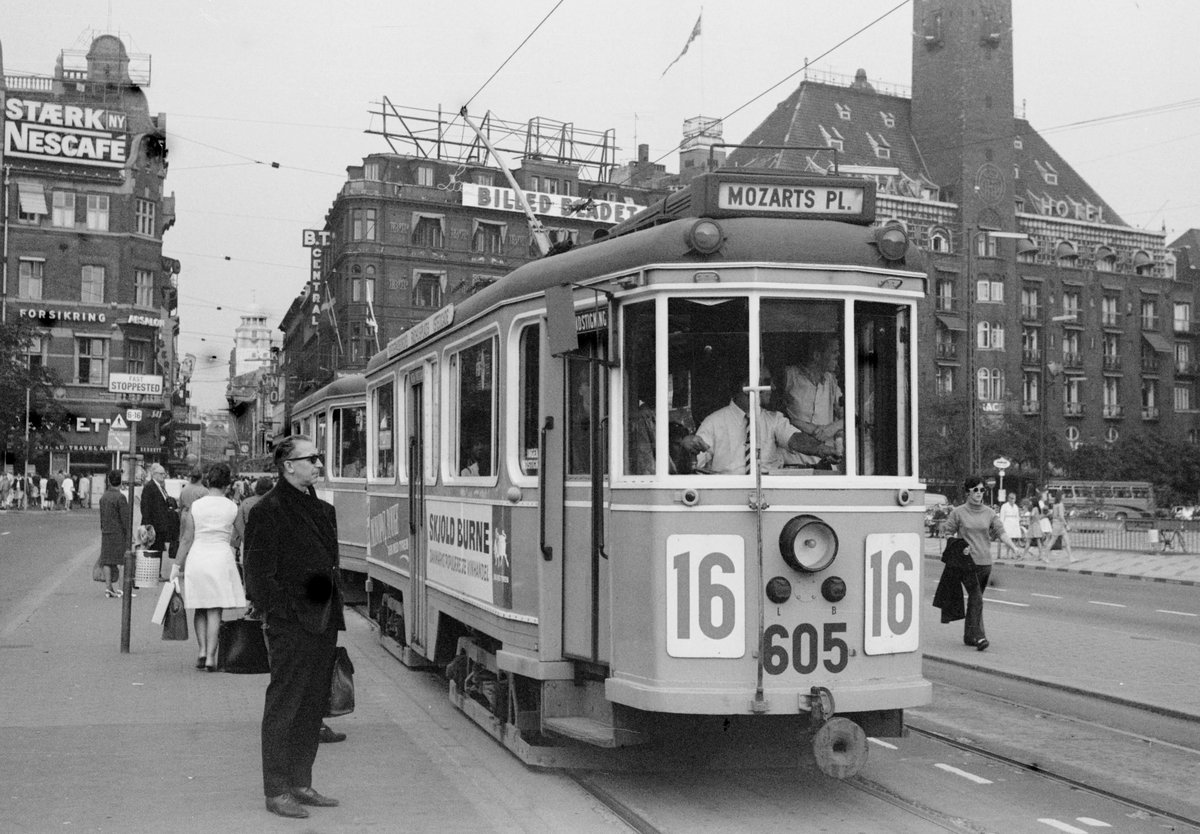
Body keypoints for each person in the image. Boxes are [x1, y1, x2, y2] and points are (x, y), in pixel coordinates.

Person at [244, 436, 344, 819]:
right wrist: (289, 612)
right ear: (288, 465)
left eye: (320, 457)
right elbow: (258, 578)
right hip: (292, 625)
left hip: (323, 622)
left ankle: (301, 783)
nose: (319, 464)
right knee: (285, 705)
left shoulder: (321, 509)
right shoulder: (268, 511)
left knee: (313, 706)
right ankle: (277, 790)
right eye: (312, 458)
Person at [680, 376, 831, 474]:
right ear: (747, 387)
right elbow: (697, 460)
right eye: (766, 382)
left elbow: (795, 439)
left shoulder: (774, 419)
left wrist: (822, 449)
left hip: (770, 495)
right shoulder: (713, 422)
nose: (772, 387)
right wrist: (689, 447)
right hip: (728, 496)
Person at [176, 463, 247, 672]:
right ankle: (211, 658)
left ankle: (202, 650)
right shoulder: (232, 507)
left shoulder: (196, 507)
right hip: (221, 558)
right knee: (215, 608)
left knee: (200, 606)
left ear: (209, 481)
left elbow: (187, 539)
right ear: (227, 484)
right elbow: (244, 535)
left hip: (198, 557)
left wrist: (176, 566)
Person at [940, 475, 1020, 651]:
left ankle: (969, 636)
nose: (979, 493)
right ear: (968, 491)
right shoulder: (958, 512)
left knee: (976, 600)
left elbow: (1000, 531)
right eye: (975, 489)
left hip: (985, 564)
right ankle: (979, 637)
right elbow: (947, 532)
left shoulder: (989, 513)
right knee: (976, 598)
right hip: (966, 563)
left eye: (982, 490)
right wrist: (959, 546)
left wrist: (1013, 547)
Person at [779, 335, 845, 465]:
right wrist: (807, 427)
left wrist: (833, 429)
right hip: (793, 461)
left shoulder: (831, 380)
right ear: (817, 356)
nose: (838, 355)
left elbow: (849, 416)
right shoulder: (789, 376)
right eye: (834, 352)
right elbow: (774, 415)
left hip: (825, 460)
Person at [141, 464, 181, 580]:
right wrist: (148, 526)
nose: (164, 476)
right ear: (154, 474)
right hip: (154, 524)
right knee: (153, 549)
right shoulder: (150, 487)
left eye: (164, 473)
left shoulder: (160, 486)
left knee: (158, 549)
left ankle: (156, 573)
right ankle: (152, 574)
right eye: (161, 473)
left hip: (161, 524)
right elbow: (146, 507)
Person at [231, 476, 274, 576]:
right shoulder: (275, 503)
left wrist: (240, 541)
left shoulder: (246, 502)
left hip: (249, 543)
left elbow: (238, 524)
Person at [98, 470, 130, 598]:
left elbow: (101, 516)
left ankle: (108, 588)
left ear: (109, 481)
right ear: (120, 482)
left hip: (106, 532)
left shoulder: (103, 497)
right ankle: (121, 589)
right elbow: (125, 518)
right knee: (121, 561)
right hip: (118, 533)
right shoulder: (120, 497)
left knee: (107, 561)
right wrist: (129, 533)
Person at [1046, 492, 1076, 562]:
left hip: (1056, 524)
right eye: (1063, 495)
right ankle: (1070, 557)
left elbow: (1055, 515)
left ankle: (1070, 557)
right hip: (1060, 525)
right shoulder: (1061, 505)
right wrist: (1066, 525)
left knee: (1055, 541)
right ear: (1061, 496)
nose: (1064, 497)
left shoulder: (1055, 504)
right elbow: (1061, 516)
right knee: (1064, 541)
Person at [997, 493, 1023, 559]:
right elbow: (1002, 516)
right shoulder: (1004, 506)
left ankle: (1013, 554)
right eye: (1011, 498)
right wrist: (1001, 525)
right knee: (1008, 539)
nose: (1012, 500)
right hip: (1007, 523)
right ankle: (1007, 554)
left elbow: (1017, 516)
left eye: (1014, 498)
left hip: (1014, 523)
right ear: (1008, 498)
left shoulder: (1016, 506)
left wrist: (1018, 524)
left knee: (1014, 539)